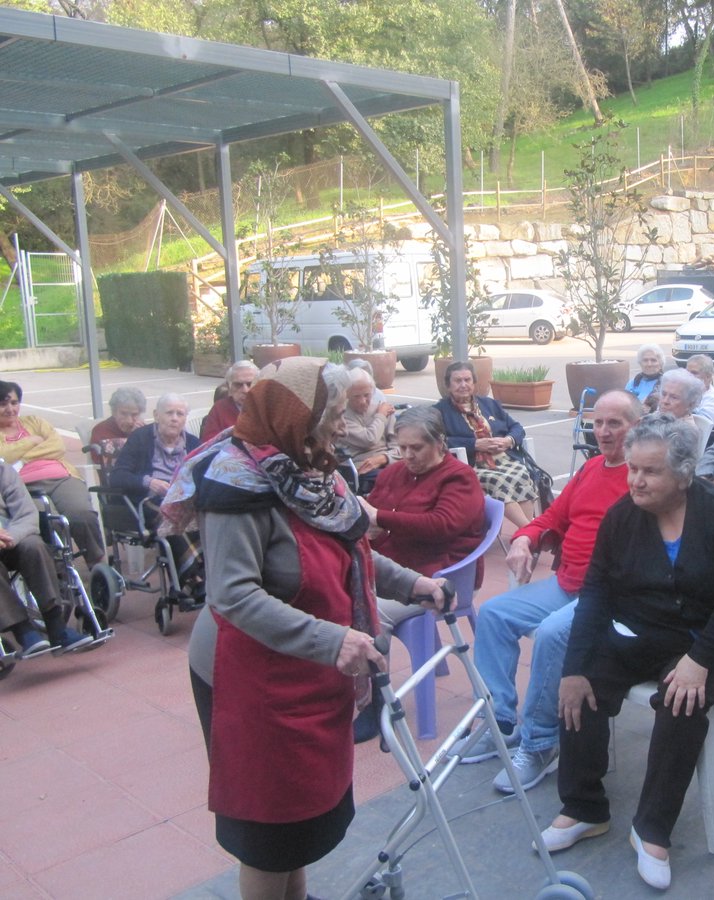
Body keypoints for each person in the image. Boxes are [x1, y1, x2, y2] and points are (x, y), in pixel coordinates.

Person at [167, 357, 449, 900]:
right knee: (269, 830)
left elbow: (353, 550)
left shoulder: (311, 467)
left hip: (310, 666)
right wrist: (333, 639)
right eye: (333, 414)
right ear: (300, 416)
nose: (341, 426)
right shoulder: (238, 488)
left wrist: (417, 585)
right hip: (251, 676)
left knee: (301, 819)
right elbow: (234, 596)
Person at [542, 415, 714, 890]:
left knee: (682, 702)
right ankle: (584, 808)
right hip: (637, 633)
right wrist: (576, 667)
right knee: (581, 687)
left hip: (697, 640)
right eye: (633, 469)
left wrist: (701, 658)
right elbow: (597, 592)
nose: (637, 480)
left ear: (684, 474)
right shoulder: (623, 516)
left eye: (651, 472)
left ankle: (652, 828)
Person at [452, 391, 642, 794]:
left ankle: (540, 743)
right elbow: (552, 518)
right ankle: (500, 721)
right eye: (598, 422)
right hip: (566, 584)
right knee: (494, 615)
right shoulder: (591, 469)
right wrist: (524, 537)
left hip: (607, 597)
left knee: (554, 634)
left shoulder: (643, 476)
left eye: (615, 424)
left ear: (636, 426)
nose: (603, 432)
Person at [366, 405, 486, 577]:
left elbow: (442, 525)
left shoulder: (459, 477)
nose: (408, 455)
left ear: (439, 443)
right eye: (403, 447)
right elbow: (371, 512)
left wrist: (379, 517)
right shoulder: (393, 472)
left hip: (438, 572)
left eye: (416, 448)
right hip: (388, 567)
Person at [0, 380, 104, 567]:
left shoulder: (35, 422)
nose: (10, 409)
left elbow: (57, 446)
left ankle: (98, 565)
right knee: (48, 523)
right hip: (24, 487)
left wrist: (21, 459)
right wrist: (33, 441)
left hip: (61, 477)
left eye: (14, 403)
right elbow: (3, 457)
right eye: (3, 404)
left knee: (81, 513)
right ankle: (59, 570)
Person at [108, 394, 203, 592]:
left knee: (209, 517)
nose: (174, 418)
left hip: (184, 499)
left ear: (186, 418)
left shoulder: (194, 443)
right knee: (172, 515)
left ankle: (203, 572)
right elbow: (117, 476)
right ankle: (193, 577)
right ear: (156, 415)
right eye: (169, 413)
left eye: (180, 414)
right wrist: (149, 482)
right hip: (147, 500)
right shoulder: (140, 438)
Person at [0, 460, 93, 656]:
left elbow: (27, 514)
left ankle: (56, 626)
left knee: (35, 546)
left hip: (12, 538)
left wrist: (10, 538)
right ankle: (23, 630)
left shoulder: (2, 470)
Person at [435, 361, 537, 529]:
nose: (463, 385)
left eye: (467, 380)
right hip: (473, 465)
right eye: (457, 381)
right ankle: (529, 530)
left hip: (505, 459)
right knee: (499, 480)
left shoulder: (490, 405)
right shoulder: (440, 411)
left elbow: (517, 428)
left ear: (474, 383)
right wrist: (474, 444)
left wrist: (508, 440)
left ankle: (525, 533)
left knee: (522, 474)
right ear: (448, 385)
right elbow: (437, 440)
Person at [338, 367, 400, 494]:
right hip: (361, 467)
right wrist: (381, 416)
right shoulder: (341, 415)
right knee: (391, 480)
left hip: (389, 462)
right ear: (346, 394)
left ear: (373, 391)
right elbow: (369, 439)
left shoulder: (383, 408)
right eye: (356, 396)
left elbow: (401, 446)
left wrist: (384, 458)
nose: (362, 401)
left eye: (367, 395)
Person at [200, 360, 259, 442]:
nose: (245, 390)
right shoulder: (219, 409)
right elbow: (209, 444)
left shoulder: (269, 408)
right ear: (229, 387)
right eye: (238, 385)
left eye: (250, 384)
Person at [88, 386, 146, 464]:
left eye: (134, 414)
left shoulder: (142, 428)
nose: (129, 421)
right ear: (114, 412)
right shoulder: (101, 430)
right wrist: (134, 437)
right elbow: (106, 460)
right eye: (123, 413)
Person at [657, 369, 708, 454]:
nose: (665, 401)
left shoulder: (685, 433)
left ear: (690, 404)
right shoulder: (662, 419)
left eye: (674, 397)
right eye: (664, 394)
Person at [685, 354, 714, 431]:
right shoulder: (684, 393)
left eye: (694, 373)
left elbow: (701, 424)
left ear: (708, 377)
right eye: (687, 372)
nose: (688, 376)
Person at [626, 344, 667, 412]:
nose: (649, 364)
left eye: (653, 360)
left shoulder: (667, 383)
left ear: (660, 364)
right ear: (640, 363)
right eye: (645, 360)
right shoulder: (633, 383)